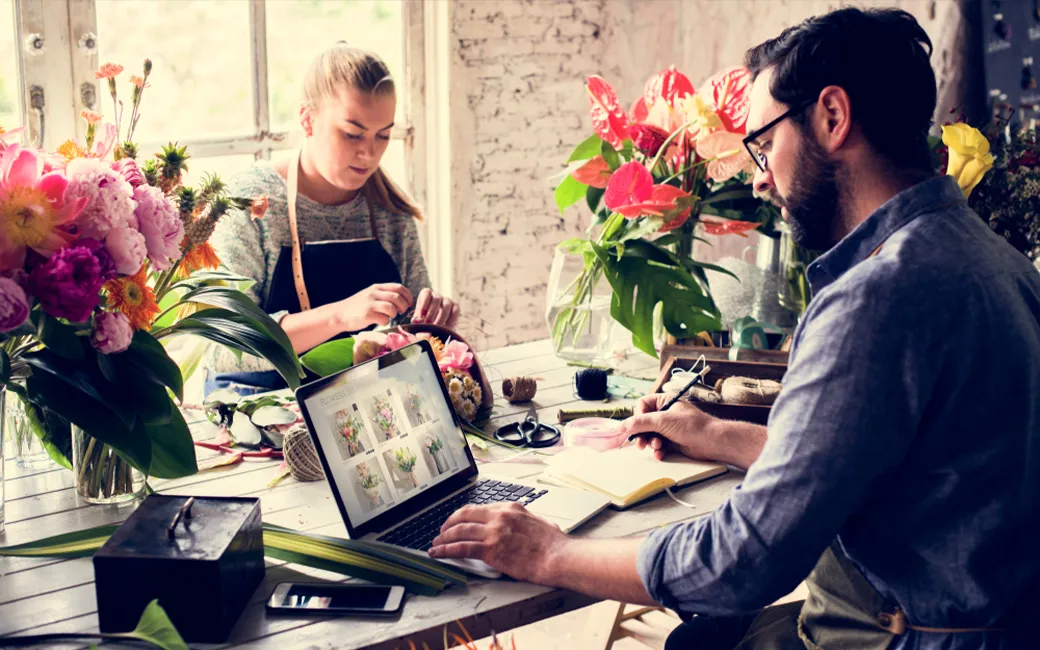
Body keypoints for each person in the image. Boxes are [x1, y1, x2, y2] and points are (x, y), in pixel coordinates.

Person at [429, 7, 1040, 649]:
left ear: (832, 117)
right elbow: (880, 458)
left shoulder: (876, 299)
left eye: (764, 143)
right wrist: (718, 434)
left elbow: (742, 561)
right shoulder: (984, 253)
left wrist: (549, 553)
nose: (756, 175)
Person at [206, 44, 458, 395]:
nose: (369, 153)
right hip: (255, 411)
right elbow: (224, 345)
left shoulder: (390, 211)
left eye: (383, 134)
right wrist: (341, 316)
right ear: (307, 120)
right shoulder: (252, 201)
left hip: (359, 408)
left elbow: (409, 335)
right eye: (352, 134)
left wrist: (430, 326)